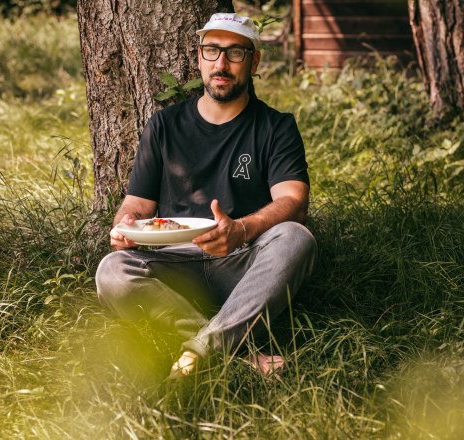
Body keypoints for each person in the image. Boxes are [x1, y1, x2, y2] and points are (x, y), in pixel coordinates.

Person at [95, 13, 316, 378]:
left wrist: (241, 231)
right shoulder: (164, 125)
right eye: (211, 50)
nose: (221, 64)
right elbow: (137, 203)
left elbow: (294, 201)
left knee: (296, 237)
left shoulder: (276, 127)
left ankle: (199, 352)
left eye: (235, 53)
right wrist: (125, 226)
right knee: (112, 271)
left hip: (245, 263)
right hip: (176, 264)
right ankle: (234, 351)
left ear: (254, 60)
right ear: (198, 57)